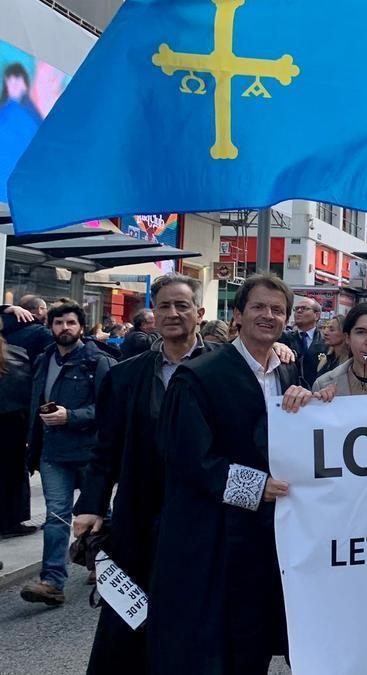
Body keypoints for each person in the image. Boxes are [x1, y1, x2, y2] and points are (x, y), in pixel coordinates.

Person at [148, 274, 318, 673]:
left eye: (278, 310)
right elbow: (190, 461)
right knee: (217, 644)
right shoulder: (199, 377)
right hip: (216, 535)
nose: (268, 315)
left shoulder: (287, 373)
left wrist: (311, 401)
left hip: (270, 534)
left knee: (257, 637)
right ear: (237, 315)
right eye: (259, 307)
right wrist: (256, 487)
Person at [72, 274, 220, 673]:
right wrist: (91, 505)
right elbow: (106, 449)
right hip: (139, 511)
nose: (173, 314)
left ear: (200, 313)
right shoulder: (125, 376)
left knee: (193, 613)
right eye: (165, 306)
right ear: (153, 315)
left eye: (182, 305)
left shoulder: (223, 369)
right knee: (128, 615)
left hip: (202, 513)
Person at [20, 302, 115, 606]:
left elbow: (108, 410)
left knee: (99, 513)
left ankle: (104, 567)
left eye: (70, 323)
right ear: (51, 327)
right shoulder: (43, 360)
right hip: (53, 452)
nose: (65, 328)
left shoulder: (97, 361)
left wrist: (70, 416)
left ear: (82, 328)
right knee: (56, 516)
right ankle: (52, 581)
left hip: (89, 452)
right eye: (59, 323)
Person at [0, 333, 33, 539]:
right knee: (12, 476)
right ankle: (10, 521)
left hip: (11, 424)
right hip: (12, 425)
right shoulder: (17, 356)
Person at [281, 296, 325, 388]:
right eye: (296, 309)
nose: (299, 311)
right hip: (290, 391)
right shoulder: (284, 338)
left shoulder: (325, 341)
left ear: (316, 315)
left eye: (304, 308)